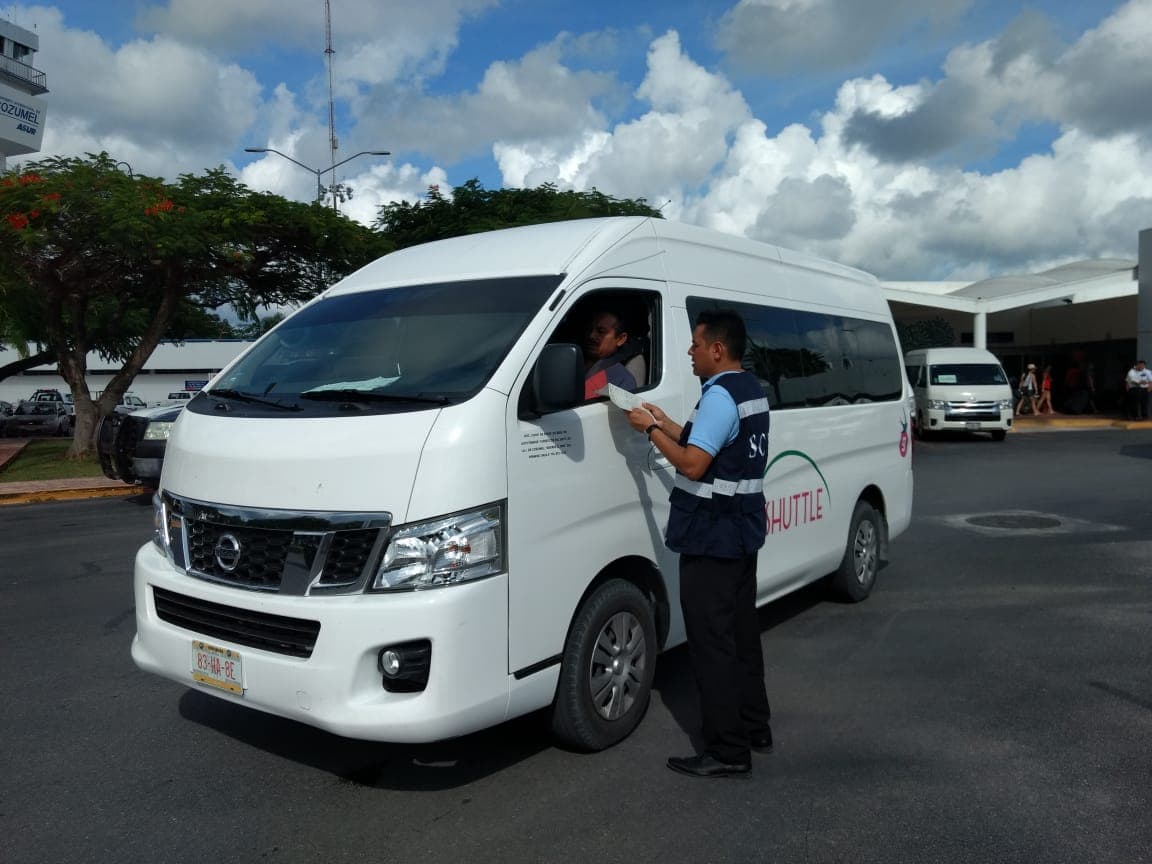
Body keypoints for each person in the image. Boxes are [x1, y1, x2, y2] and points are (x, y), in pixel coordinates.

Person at [627, 309, 772, 778]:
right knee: (742, 637)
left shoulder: (719, 398)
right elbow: (709, 443)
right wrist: (666, 421)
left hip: (711, 537)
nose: (689, 353)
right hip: (740, 533)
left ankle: (728, 752)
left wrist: (647, 431)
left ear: (716, 349)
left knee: (712, 647)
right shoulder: (748, 390)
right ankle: (755, 728)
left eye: (694, 345)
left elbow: (692, 465)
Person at [583, 310, 639, 400]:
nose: (591, 335)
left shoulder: (621, 380)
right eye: (589, 329)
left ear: (620, 339)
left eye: (601, 331)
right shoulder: (570, 361)